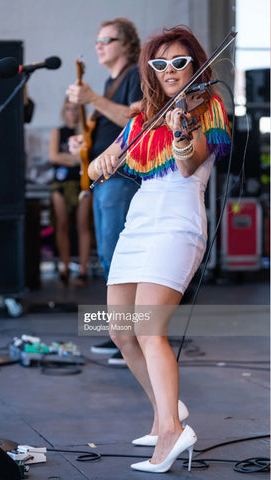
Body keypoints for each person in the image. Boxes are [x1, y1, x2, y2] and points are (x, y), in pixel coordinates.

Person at [88, 25, 231, 473]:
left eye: (180, 62)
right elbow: (94, 170)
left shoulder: (206, 108)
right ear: (149, 70)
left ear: (195, 65)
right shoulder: (140, 120)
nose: (170, 71)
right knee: (120, 331)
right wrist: (101, 160)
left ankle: (172, 430)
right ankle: (165, 412)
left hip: (177, 224)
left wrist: (181, 134)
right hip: (139, 225)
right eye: (160, 64)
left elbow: (189, 167)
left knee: (150, 331)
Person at [67, 17, 143, 361]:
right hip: (104, 179)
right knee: (110, 259)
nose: (99, 45)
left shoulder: (134, 76)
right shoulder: (110, 81)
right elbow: (111, 127)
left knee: (121, 260)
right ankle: (121, 336)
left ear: (126, 45)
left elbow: (134, 120)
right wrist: (85, 142)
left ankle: (132, 338)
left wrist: (92, 98)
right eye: (97, 40)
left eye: (107, 39)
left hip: (122, 178)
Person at [49, 98, 92, 286]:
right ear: (64, 111)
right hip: (61, 183)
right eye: (69, 109)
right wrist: (75, 159)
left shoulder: (86, 132)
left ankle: (82, 270)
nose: (72, 113)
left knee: (83, 225)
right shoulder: (57, 132)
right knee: (62, 224)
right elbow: (53, 156)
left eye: (76, 109)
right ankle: (64, 266)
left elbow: (90, 158)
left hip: (82, 182)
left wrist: (69, 158)